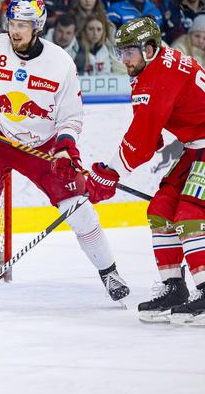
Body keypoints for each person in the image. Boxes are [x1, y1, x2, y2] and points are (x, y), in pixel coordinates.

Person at [0, 0, 130, 304]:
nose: (15, 31)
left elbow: (71, 116)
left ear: (37, 27)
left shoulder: (60, 62)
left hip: (45, 145)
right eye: (11, 23)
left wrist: (65, 146)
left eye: (22, 25)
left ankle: (110, 272)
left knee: (79, 210)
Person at [86, 16, 205, 324]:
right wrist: (111, 170)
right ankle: (175, 288)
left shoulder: (158, 75)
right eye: (120, 52)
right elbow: (150, 137)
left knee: (190, 215)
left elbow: (140, 139)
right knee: (161, 209)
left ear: (150, 49)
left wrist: (109, 172)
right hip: (195, 147)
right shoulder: (154, 68)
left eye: (130, 52)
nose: (124, 60)